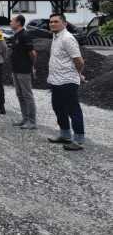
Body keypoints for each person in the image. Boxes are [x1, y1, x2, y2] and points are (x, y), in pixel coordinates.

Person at [46, 13, 86, 151]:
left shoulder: (68, 38)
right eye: (50, 22)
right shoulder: (56, 36)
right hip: (56, 80)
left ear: (65, 23)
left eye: (56, 22)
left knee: (73, 110)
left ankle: (79, 139)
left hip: (68, 80)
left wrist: (78, 74)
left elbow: (79, 60)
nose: (52, 24)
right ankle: (65, 134)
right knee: (58, 107)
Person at [9, 14, 38, 129]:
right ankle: (25, 118)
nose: (10, 23)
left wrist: (32, 66)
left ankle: (32, 121)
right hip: (15, 69)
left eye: (12, 21)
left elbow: (33, 54)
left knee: (27, 95)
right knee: (20, 95)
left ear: (18, 23)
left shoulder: (25, 35)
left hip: (23, 70)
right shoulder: (15, 35)